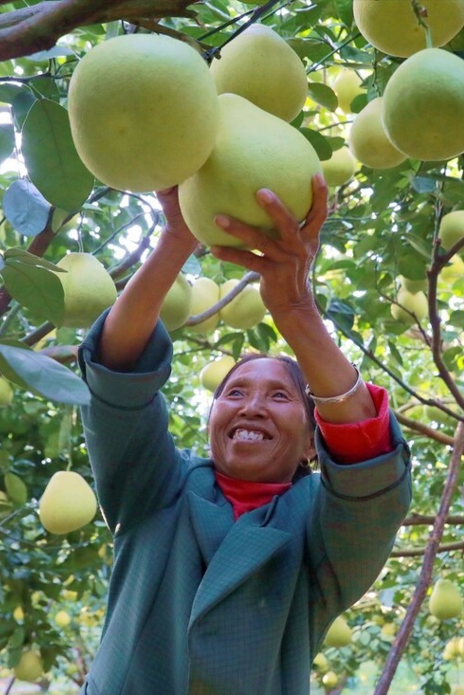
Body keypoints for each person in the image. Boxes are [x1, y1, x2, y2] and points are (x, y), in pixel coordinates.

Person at [76, 174, 412, 695]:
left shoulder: (319, 532)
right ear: (212, 420)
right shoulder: (158, 488)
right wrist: (176, 239)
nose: (252, 406)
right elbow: (118, 377)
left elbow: (369, 472)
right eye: (234, 394)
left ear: (311, 441)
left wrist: (297, 312)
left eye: (279, 397)